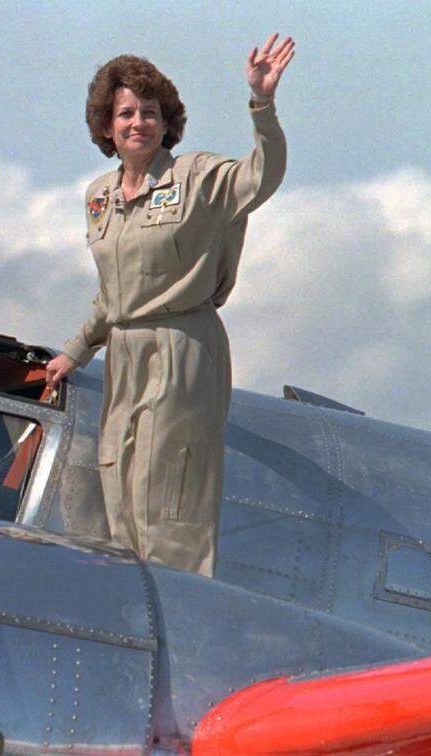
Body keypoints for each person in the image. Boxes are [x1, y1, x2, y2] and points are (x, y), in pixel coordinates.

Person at [44, 34, 295, 577]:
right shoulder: (97, 198)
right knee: (120, 488)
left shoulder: (198, 178)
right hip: (125, 351)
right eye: (126, 112)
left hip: (183, 345)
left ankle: (181, 609)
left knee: (166, 497)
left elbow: (263, 173)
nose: (139, 122)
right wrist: (75, 352)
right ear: (106, 127)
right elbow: (114, 294)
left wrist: (262, 103)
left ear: (167, 122)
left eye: (150, 112)